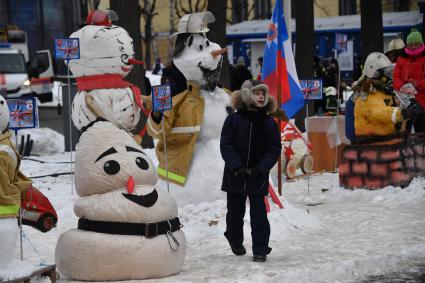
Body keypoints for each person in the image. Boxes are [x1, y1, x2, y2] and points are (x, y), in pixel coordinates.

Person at [220, 79, 281, 262]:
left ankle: (260, 249)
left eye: (263, 93)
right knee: (234, 214)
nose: (261, 96)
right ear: (246, 95)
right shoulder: (233, 119)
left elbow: (273, 148)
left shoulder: (269, 122)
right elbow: (226, 145)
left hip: (257, 175)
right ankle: (234, 239)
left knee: (259, 215)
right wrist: (237, 166)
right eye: (256, 93)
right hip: (235, 175)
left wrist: (261, 168)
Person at [393, 29, 425, 133]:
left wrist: (417, 84)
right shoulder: (401, 59)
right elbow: (396, 77)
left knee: (421, 131)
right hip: (405, 102)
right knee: (404, 131)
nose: (414, 46)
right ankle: (404, 148)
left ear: (421, 44)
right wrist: (402, 86)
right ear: (407, 45)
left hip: (422, 101)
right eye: (411, 44)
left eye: (416, 44)